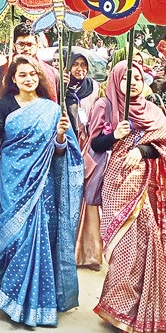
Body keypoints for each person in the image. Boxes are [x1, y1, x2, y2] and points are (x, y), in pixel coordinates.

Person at [92, 61, 166, 333]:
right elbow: (93, 144)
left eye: (138, 78)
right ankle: (118, 310)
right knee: (122, 249)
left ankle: (136, 316)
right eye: (126, 78)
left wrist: (142, 149)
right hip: (115, 183)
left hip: (145, 186)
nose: (133, 83)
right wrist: (114, 136)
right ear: (116, 81)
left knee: (144, 248)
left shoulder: (153, 111)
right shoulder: (106, 106)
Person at [0, 56, 82, 327]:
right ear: (13, 79)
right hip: (12, 179)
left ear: (39, 78)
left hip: (42, 184)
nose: (28, 79)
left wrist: (62, 135)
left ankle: (37, 300)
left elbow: (62, 153)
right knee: (15, 237)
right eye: (22, 75)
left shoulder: (52, 110)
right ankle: (10, 294)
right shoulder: (3, 105)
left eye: (33, 74)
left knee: (40, 235)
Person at [65, 53, 102, 270]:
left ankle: (89, 254)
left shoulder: (95, 88)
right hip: (68, 145)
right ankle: (68, 252)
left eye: (83, 65)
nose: (79, 69)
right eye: (75, 64)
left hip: (89, 146)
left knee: (89, 197)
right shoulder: (62, 88)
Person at [0, 22, 57, 101]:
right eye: (21, 44)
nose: (26, 49)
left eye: (30, 44)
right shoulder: (0, 73)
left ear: (37, 45)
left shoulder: (52, 73)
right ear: (14, 46)